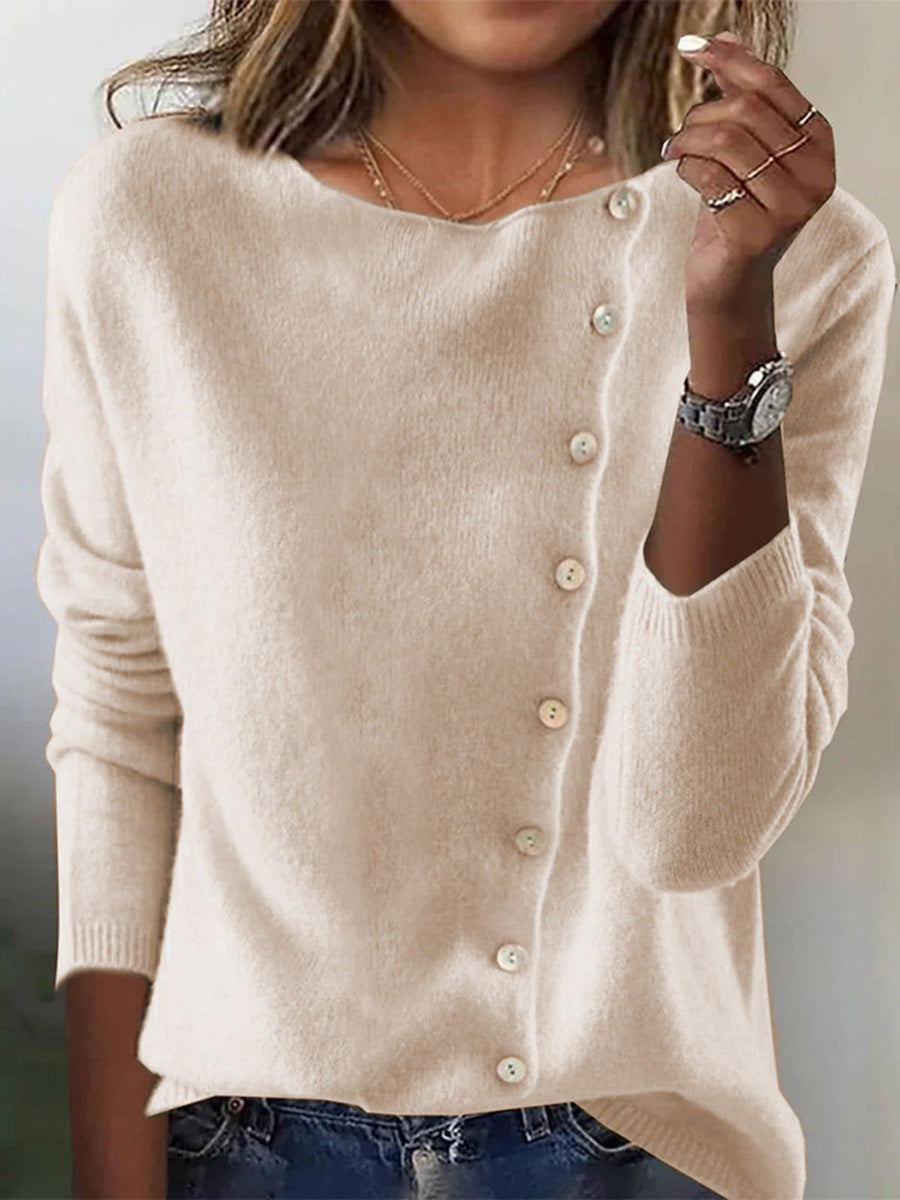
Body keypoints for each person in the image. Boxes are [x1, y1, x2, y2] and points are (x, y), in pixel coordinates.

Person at [34, 1, 896, 1198]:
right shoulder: (150, 214)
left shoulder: (800, 253)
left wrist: (728, 329)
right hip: (242, 1146)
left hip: (636, 1150)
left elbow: (693, 831)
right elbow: (121, 720)